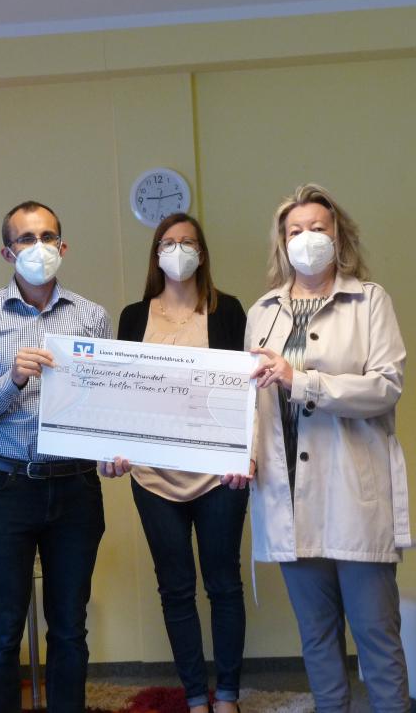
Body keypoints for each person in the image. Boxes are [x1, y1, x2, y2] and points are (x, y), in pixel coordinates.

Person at [245, 184, 411, 713]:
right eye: (295, 230)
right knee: (316, 637)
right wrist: (241, 455)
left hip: (353, 491)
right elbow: (250, 405)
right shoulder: (262, 312)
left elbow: (385, 386)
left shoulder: (370, 300)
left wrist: (302, 381)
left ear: (339, 237)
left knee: (376, 633)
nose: (307, 238)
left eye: (318, 228)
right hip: (287, 495)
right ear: (282, 241)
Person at [0, 200, 110, 713]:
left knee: (69, 627)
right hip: (5, 488)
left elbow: (105, 405)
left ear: (63, 246)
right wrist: (13, 379)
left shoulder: (93, 316)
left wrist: (113, 450)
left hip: (75, 486)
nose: (38, 247)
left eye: (47, 237)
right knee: (2, 628)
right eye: (25, 238)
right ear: (7, 252)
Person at [101, 213, 249, 713]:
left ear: (201, 253)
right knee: (175, 588)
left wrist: (245, 454)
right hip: (152, 476)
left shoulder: (228, 310)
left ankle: (226, 696)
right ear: (156, 254)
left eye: (187, 242)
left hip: (220, 474)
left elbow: (247, 387)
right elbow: (121, 391)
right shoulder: (133, 316)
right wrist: (113, 447)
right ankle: (195, 696)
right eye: (168, 242)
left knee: (223, 584)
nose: (178, 250)